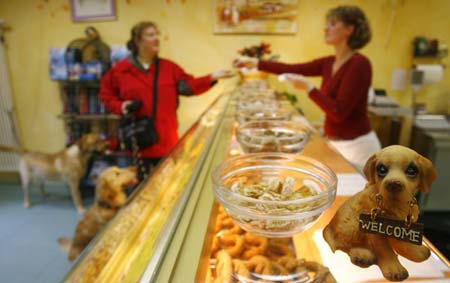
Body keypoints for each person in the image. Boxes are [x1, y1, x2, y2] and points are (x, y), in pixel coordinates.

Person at [234, 5, 380, 172]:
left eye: (332, 24)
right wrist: (256, 63)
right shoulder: (329, 62)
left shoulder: (359, 64)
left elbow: (338, 112)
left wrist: (309, 88)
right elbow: (294, 68)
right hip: (337, 143)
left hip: (357, 148)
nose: (326, 28)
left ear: (349, 29)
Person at [100, 21, 233, 181]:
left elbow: (187, 87)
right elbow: (106, 96)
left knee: (167, 187)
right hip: (137, 142)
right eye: (150, 35)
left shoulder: (169, 68)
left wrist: (211, 77)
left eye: (157, 34)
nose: (157, 38)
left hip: (166, 141)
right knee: (136, 192)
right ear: (138, 40)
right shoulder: (119, 71)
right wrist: (121, 106)